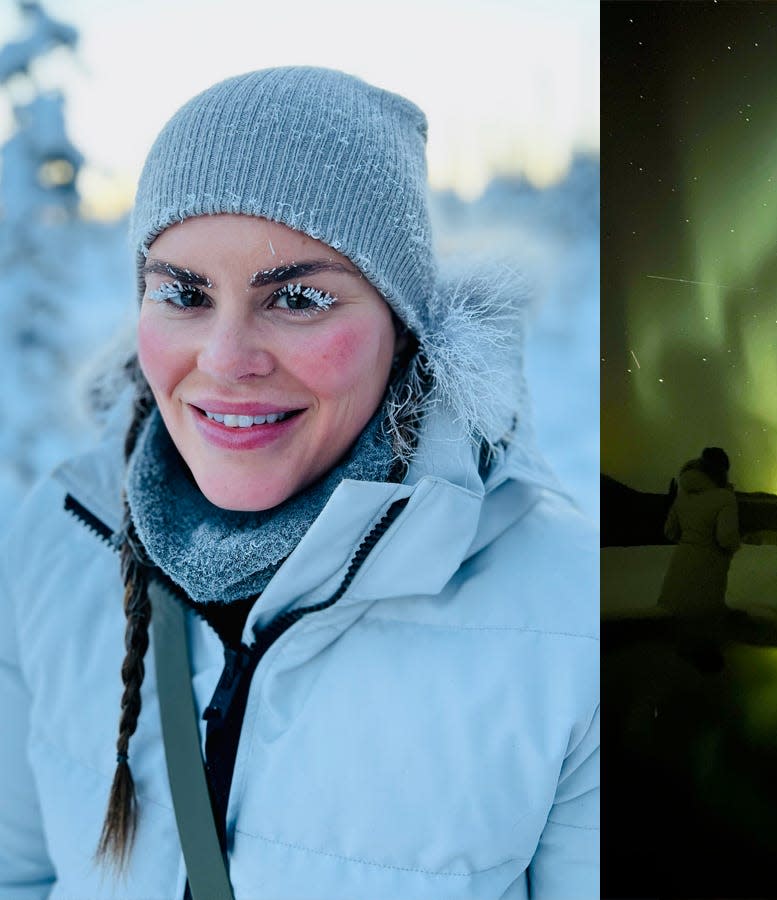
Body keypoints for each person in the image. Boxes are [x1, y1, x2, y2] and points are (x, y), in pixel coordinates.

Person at [0, 67, 598, 898]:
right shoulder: (60, 537)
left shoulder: (570, 617)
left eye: (300, 297)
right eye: (183, 293)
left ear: (400, 319)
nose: (226, 359)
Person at [657, 447, 740, 669]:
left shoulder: (682, 494)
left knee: (679, 644)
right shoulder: (725, 498)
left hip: (678, 570)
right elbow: (726, 538)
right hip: (707, 573)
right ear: (722, 470)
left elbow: (669, 532)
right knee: (704, 637)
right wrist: (734, 546)